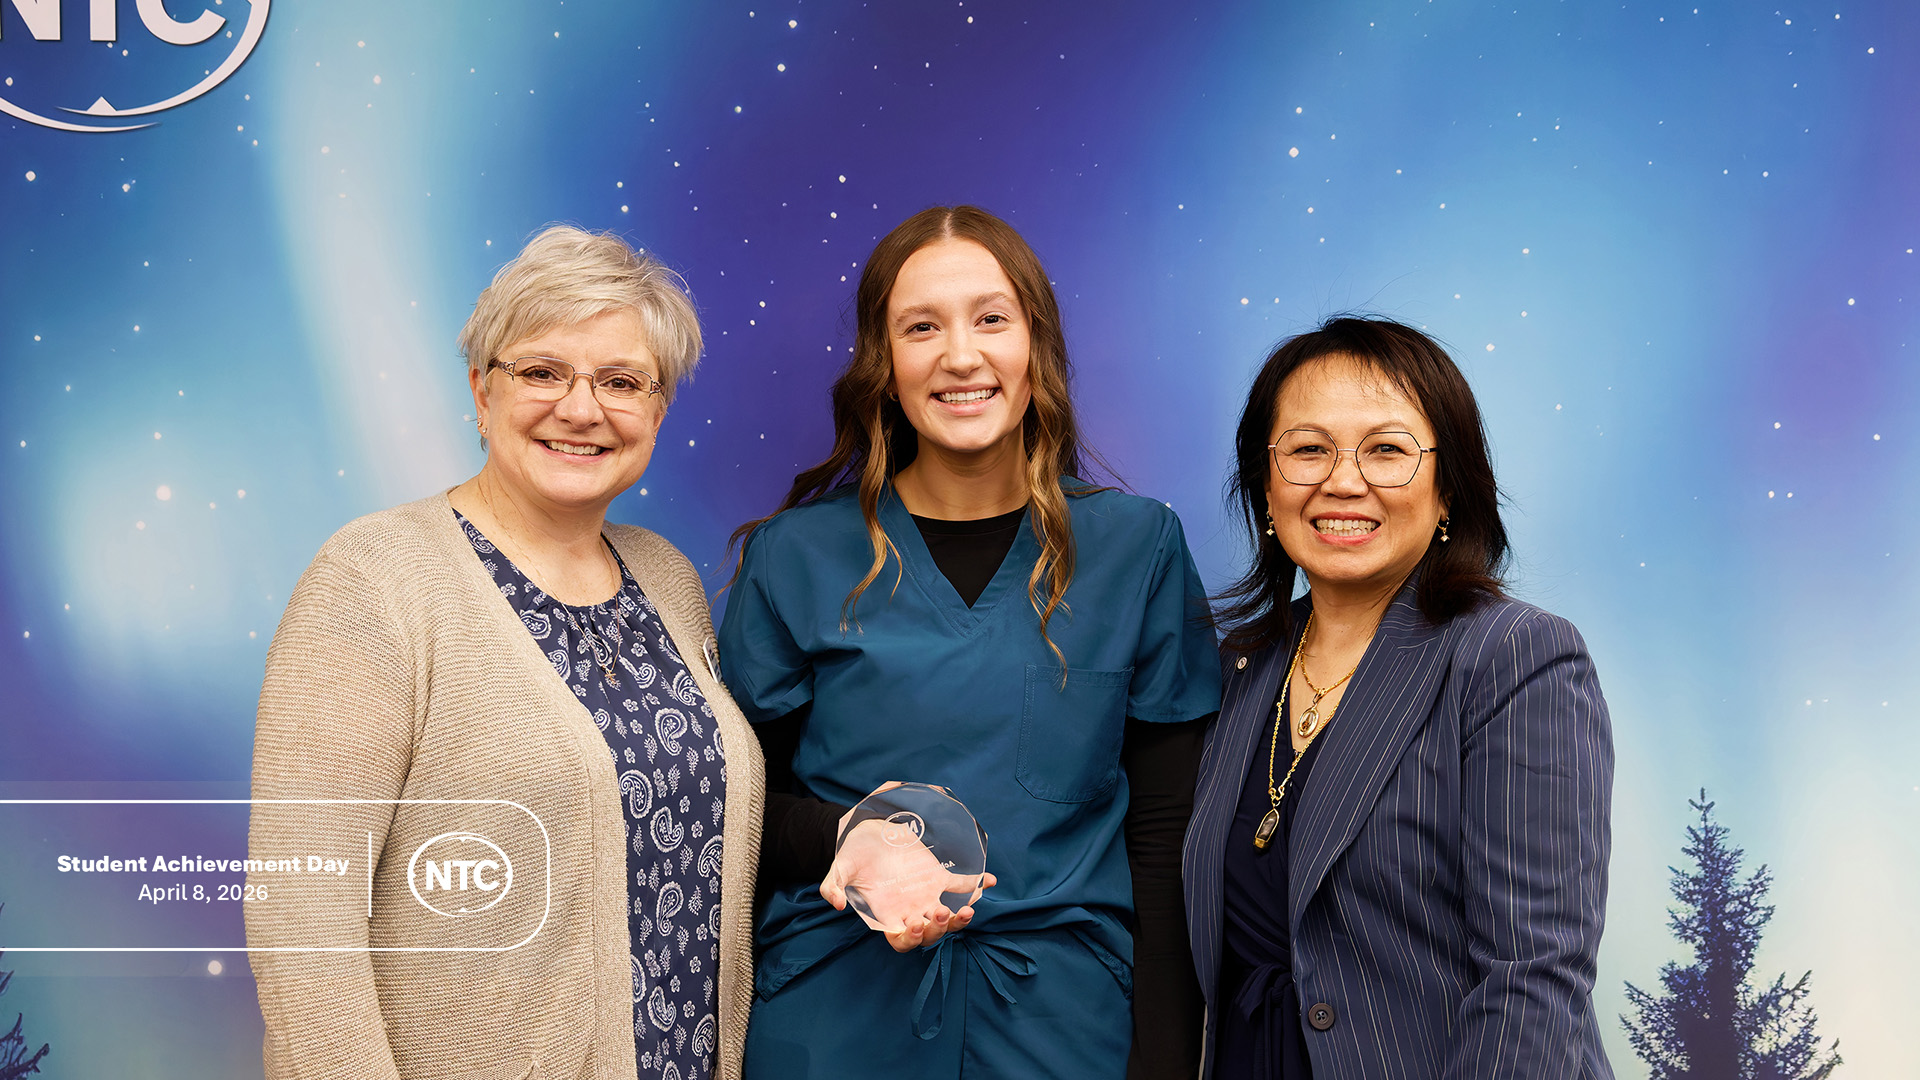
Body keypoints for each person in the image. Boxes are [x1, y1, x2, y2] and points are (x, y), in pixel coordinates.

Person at [246, 225, 764, 1080]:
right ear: (482, 392)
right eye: (542, 371)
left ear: (658, 411)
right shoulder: (374, 580)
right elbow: (301, 915)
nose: (581, 408)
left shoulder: (666, 578)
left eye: (621, 382)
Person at [717, 205, 1221, 1079]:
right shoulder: (794, 556)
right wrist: (847, 836)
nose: (960, 355)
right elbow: (738, 809)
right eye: (922, 327)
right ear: (886, 364)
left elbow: (1166, 828)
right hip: (833, 1021)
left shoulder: (1138, 550)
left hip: (1064, 1031)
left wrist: (1166, 1059)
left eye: (991, 319)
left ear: (1037, 346)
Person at [1183, 316, 1615, 1078]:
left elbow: (1533, 981)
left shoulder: (1514, 657)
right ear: (1265, 483)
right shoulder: (1238, 671)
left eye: (1386, 450)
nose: (1343, 481)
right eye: (1308, 449)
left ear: (1450, 488)